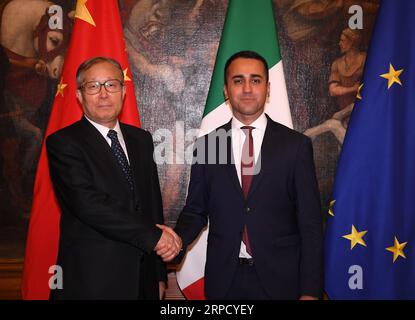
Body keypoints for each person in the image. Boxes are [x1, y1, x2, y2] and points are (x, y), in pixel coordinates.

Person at [172, 51, 324, 300]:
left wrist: (310, 291)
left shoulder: (295, 146)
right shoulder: (207, 146)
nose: (247, 88)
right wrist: (176, 241)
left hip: (283, 281)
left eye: (255, 80)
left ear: (267, 88)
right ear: (225, 90)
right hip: (225, 282)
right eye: (238, 80)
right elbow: (196, 210)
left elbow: (310, 224)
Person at [46, 57, 181, 299]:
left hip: (143, 279)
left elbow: (152, 206)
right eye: (93, 86)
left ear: (123, 91)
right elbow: (88, 204)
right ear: (79, 95)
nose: (104, 94)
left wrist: (159, 275)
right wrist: (155, 238)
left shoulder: (141, 139)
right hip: (92, 281)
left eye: (111, 85)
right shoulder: (64, 143)